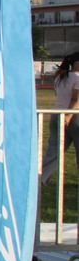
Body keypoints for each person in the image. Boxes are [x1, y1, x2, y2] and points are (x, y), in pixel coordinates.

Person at [40, 51, 79, 186]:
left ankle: (40, 178)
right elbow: (75, 99)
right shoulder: (77, 77)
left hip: (56, 113)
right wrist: (69, 115)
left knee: (54, 151)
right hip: (74, 115)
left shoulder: (60, 77)